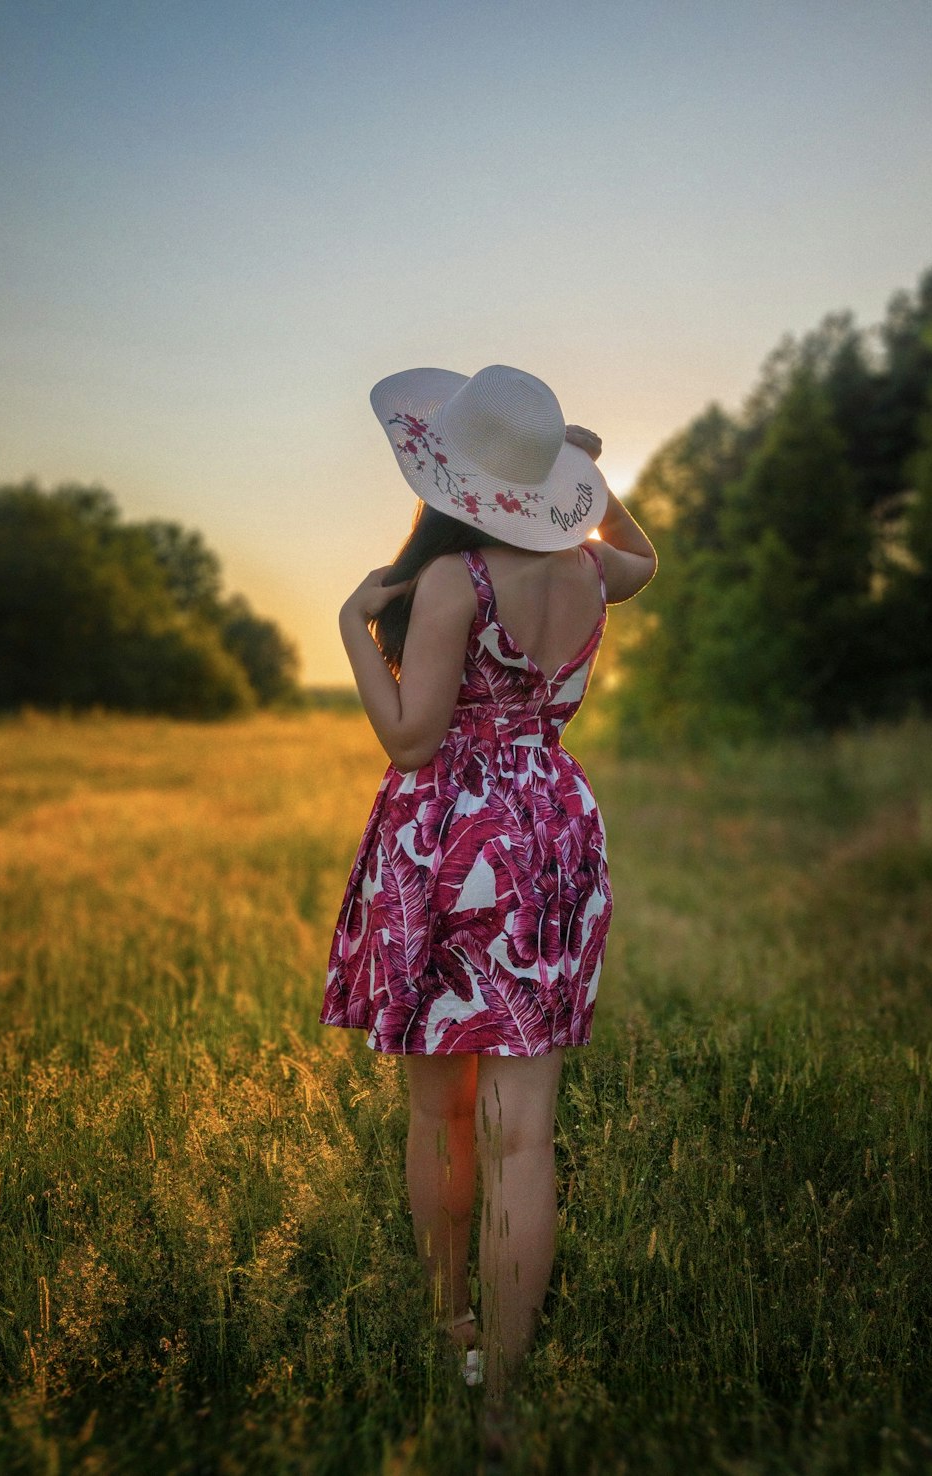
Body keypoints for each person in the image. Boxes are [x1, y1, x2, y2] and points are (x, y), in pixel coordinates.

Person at [317, 363, 656, 1439]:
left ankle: (451, 1320)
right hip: (552, 829)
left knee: (439, 1112)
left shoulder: (457, 580)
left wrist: (346, 633)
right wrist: (587, 485)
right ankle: (503, 1398)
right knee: (525, 1137)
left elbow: (412, 739)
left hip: (455, 840)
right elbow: (643, 553)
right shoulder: (591, 574)